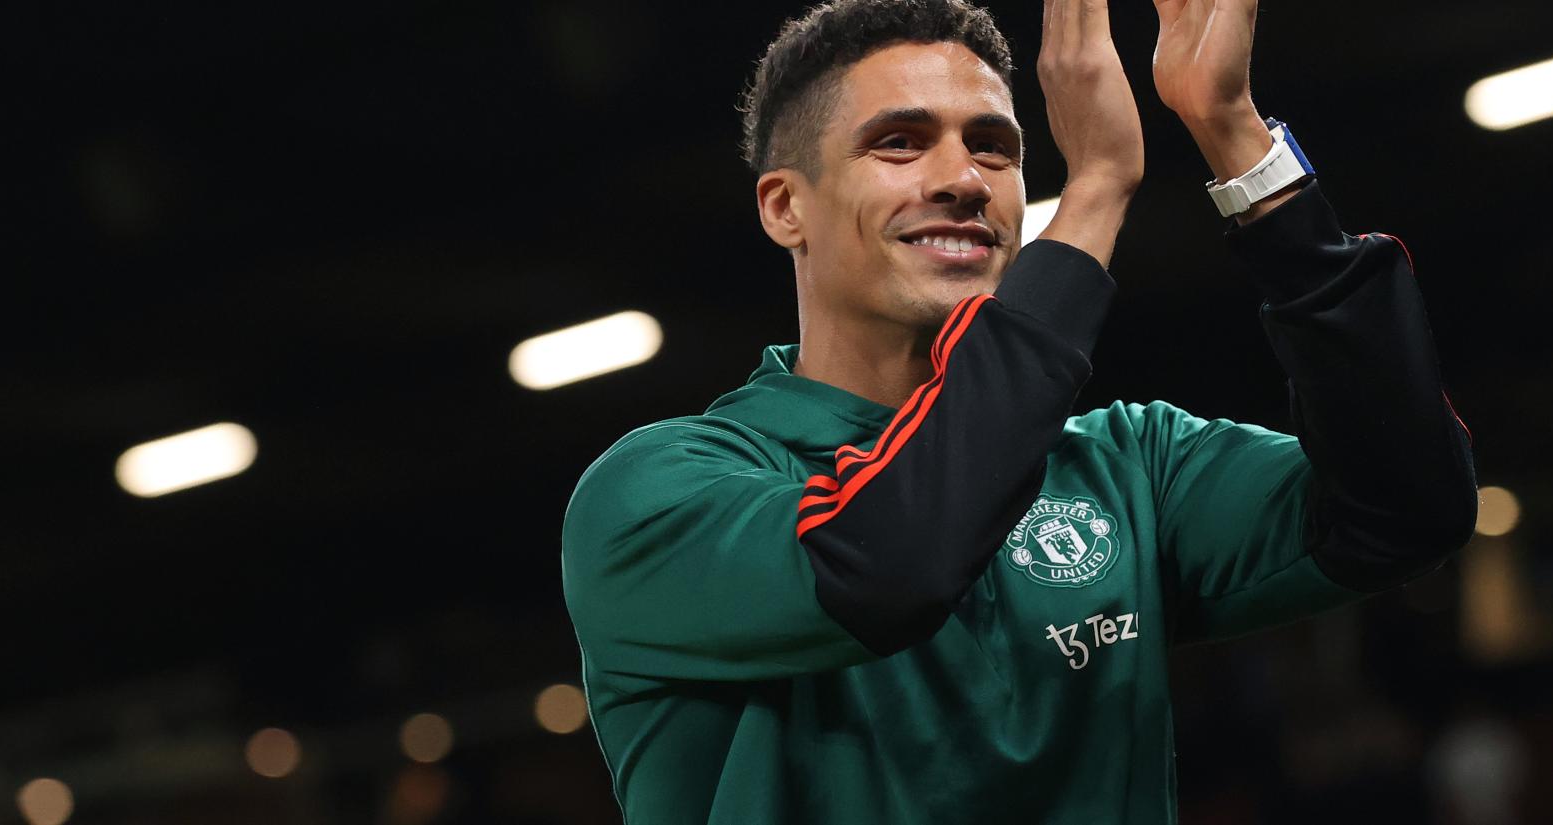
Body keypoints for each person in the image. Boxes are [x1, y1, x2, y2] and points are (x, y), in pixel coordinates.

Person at [559, 0, 1478, 821]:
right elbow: (888, 562)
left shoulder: (1128, 468)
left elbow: (1406, 509)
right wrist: (1096, 189)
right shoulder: (653, 493)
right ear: (785, 206)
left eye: (994, 145)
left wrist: (1233, 133)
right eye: (900, 141)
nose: (964, 177)